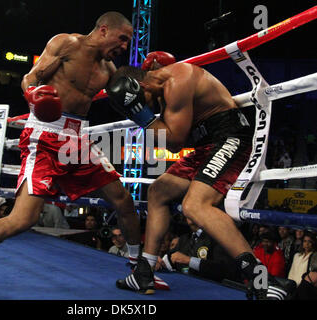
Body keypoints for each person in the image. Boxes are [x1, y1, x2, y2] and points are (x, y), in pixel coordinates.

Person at [0, 11, 144, 295]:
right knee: (22, 219)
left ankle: (140, 270)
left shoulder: (109, 70)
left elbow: (129, 97)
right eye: (122, 39)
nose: (124, 46)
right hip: (45, 135)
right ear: (103, 30)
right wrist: (34, 94)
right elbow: (31, 78)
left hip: (78, 139)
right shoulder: (66, 44)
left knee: (124, 201)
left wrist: (150, 77)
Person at [106, 54, 296, 299]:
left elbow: (173, 141)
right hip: (205, 146)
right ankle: (144, 272)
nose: (146, 107)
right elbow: (173, 142)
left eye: (140, 102)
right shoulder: (162, 90)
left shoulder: (178, 79)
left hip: (230, 138)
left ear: (140, 87)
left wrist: (139, 115)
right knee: (158, 191)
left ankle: (262, 280)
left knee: (194, 205)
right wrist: (141, 113)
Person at [156, 218, 241, 283]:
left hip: (210, 290)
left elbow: (224, 270)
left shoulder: (217, 238)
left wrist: (190, 261)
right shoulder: (184, 239)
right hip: (184, 286)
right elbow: (172, 258)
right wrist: (160, 262)